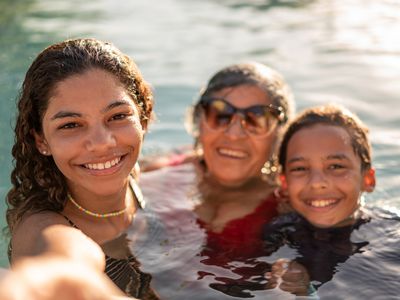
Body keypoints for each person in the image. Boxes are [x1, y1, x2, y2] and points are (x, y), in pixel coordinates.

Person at [5, 38, 158, 299]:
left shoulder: (143, 180)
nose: (101, 144)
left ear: (143, 119)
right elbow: (64, 270)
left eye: (117, 116)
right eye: (71, 125)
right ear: (41, 140)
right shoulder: (41, 228)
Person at [137, 62, 295, 298]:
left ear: (279, 134)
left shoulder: (291, 202)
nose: (234, 134)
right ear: (199, 121)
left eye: (257, 118)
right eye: (220, 114)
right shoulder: (156, 176)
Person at [263, 104, 400, 297]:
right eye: (300, 168)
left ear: (368, 180)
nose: (317, 183)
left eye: (335, 166)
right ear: (284, 184)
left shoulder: (394, 237)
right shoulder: (276, 236)